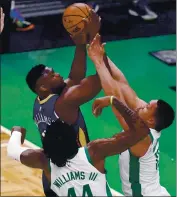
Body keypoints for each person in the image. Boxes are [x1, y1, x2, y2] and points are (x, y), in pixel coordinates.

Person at [7, 95, 150, 196]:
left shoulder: (43, 160)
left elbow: (13, 150)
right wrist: (114, 101)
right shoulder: (94, 152)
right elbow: (142, 131)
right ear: (76, 140)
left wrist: (17, 132)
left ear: (47, 148)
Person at [87, 34, 175, 196]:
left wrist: (97, 62)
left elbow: (116, 99)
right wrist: (103, 55)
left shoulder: (141, 136)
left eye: (147, 106)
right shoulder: (148, 125)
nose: (142, 104)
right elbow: (123, 86)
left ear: (150, 120)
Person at [25, 10, 101, 197]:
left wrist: (80, 45)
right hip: (74, 177)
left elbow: (75, 78)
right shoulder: (64, 103)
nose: (58, 74)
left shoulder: (39, 102)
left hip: (51, 176)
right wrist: (98, 51)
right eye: (52, 75)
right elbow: (100, 81)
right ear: (42, 87)